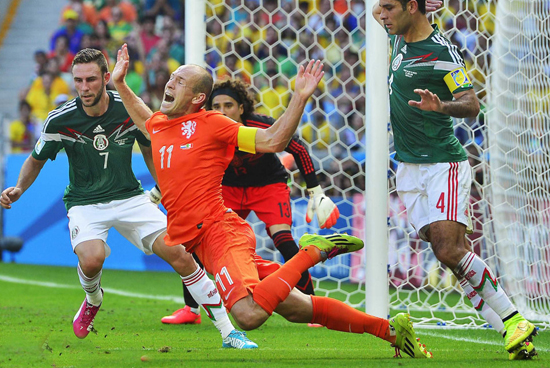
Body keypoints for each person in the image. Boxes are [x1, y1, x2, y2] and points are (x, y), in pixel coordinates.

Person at [111, 42, 433, 358]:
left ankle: (311, 253)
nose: (170, 83)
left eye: (180, 81)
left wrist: (299, 97)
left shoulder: (212, 123)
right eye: (172, 78)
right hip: (203, 242)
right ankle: (390, 330)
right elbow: (142, 115)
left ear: (197, 98)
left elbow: (274, 139)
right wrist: (121, 83)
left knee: (248, 316)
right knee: (297, 308)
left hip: (220, 234)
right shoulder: (160, 124)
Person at [0, 48, 257, 349]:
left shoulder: (128, 109)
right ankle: (93, 299)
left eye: (91, 80)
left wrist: (166, 190)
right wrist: (19, 188)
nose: (84, 88)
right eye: (78, 81)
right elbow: (36, 159)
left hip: (130, 198)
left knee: (181, 256)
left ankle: (229, 332)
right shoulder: (60, 119)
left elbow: (152, 149)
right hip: (85, 202)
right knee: (92, 259)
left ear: (106, 78)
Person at [372, 0, 537, 360]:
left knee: (449, 250)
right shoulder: (397, 35)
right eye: (383, 7)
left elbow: (471, 103)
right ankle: (515, 336)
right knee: (446, 250)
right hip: (408, 168)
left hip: (442, 163)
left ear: (411, 8)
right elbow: (386, 11)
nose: (382, 14)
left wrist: (441, 106)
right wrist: (410, 5)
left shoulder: (441, 53)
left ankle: (514, 318)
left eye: (390, 8)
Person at [160, 77, 340, 325]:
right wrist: (157, 191)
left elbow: (297, 148)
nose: (222, 111)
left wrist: (316, 192)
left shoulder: (259, 124)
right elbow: (185, 163)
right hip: (228, 189)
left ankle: (313, 305)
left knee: (284, 240)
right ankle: (191, 310)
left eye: (228, 105)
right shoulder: (206, 127)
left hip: (268, 185)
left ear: (241, 108)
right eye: (216, 106)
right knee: (198, 242)